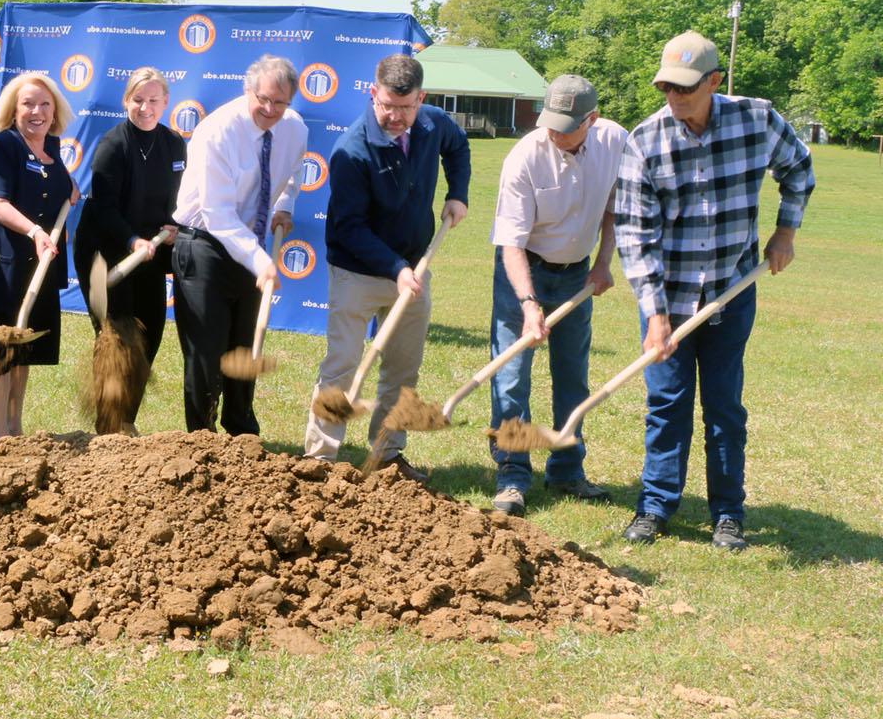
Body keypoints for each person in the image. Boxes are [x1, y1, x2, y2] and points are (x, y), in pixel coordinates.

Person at [615, 31, 814, 551]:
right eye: (666, 88)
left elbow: (799, 169)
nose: (674, 98)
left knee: (724, 407)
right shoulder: (646, 141)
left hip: (731, 291)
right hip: (670, 298)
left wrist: (785, 231)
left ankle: (728, 514)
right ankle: (656, 505)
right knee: (666, 404)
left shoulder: (757, 119)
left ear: (714, 81)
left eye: (685, 88)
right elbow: (635, 237)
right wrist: (655, 315)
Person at [301, 53, 470, 481]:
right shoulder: (352, 151)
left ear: (422, 98)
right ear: (372, 93)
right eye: (387, 106)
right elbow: (350, 228)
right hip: (357, 272)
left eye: (406, 107)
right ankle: (320, 457)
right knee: (341, 365)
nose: (396, 117)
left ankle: (387, 455)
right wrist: (396, 268)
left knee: (402, 367)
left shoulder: (433, 123)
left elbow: (458, 146)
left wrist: (459, 192)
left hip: (413, 267)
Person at [486, 74, 624, 515]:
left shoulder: (614, 141)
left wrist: (603, 262)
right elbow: (510, 242)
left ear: (592, 119)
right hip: (523, 268)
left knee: (572, 375)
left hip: (576, 273)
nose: (555, 133)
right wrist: (528, 305)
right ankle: (512, 476)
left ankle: (566, 470)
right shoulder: (525, 157)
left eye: (566, 126)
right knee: (511, 375)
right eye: (550, 123)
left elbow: (613, 207)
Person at [171, 55, 308, 437]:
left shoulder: (294, 128)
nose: (269, 110)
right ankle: (201, 441)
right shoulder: (217, 132)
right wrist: (260, 260)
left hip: (250, 246)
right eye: (262, 99)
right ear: (247, 90)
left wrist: (285, 205)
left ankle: (242, 436)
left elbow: (293, 171)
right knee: (207, 354)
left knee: (245, 349)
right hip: (204, 247)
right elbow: (218, 215)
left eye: (280, 103)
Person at [0, 73, 80, 438]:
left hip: (38, 269)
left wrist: (68, 186)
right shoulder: (3, 146)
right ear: (13, 109)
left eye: (45, 104)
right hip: (3, 268)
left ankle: (16, 430)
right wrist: (35, 231)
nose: (37, 112)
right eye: (28, 104)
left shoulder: (53, 147)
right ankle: (1, 434)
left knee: (22, 351)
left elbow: (52, 185)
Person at [71, 66, 186, 426]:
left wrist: (176, 225)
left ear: (165, 102)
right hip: (105, 255)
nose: (145, 107)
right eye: (138, 99)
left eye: (153, 100)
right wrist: (132, 239)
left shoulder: (174, 144)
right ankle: (108, 425)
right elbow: (104, 207)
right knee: (116, 341)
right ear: (126, 100)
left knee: (147, 339)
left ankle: (125, 422)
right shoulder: (112, 145)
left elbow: (179, 198)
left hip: (148, 256)